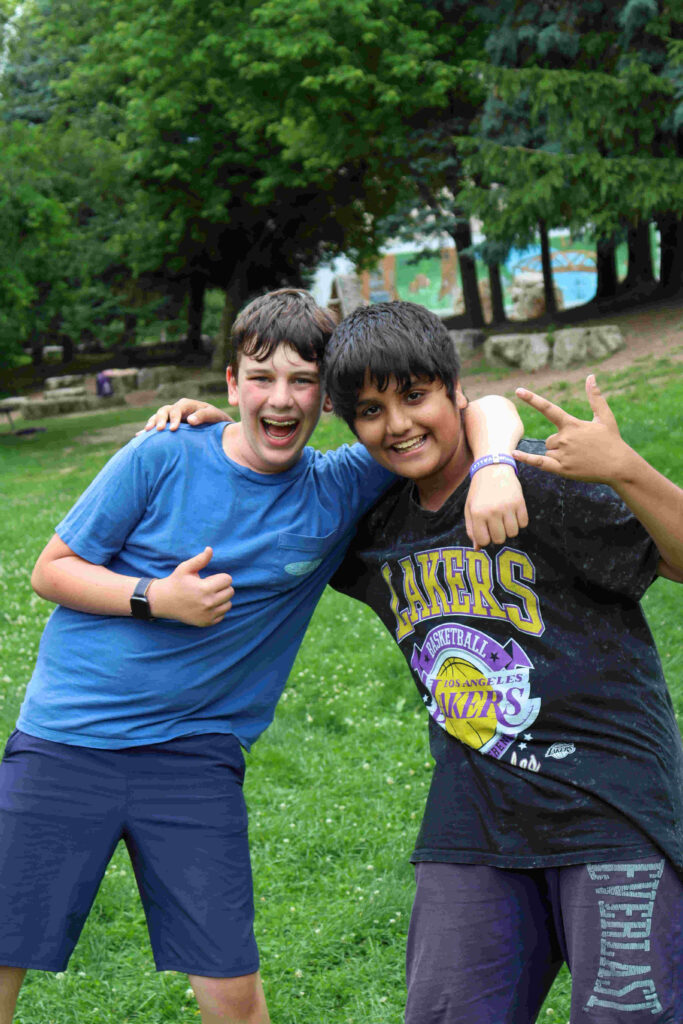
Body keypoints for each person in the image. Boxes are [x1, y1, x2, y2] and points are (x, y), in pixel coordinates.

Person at [0, 289, 526, 1024]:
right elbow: (51, 570)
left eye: (302, 381)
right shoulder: (159, 456)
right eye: (260, 378)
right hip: (64, 744)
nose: (280, 400)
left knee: (235, 997)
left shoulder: (338, 484)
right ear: (230, 385)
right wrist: (156, 597)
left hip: (192, 761)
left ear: (329, 399)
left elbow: (479, 406)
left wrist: (497, 462)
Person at [321, 300, 683, 1024]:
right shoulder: (373, 525)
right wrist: (204, 429)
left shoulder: (535, 482)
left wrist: (623, 468)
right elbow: (261, 481)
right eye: (369, 409)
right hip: (474, 818)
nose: (396, 424)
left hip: (609, 806)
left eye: (414, 395)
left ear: (453, 391)